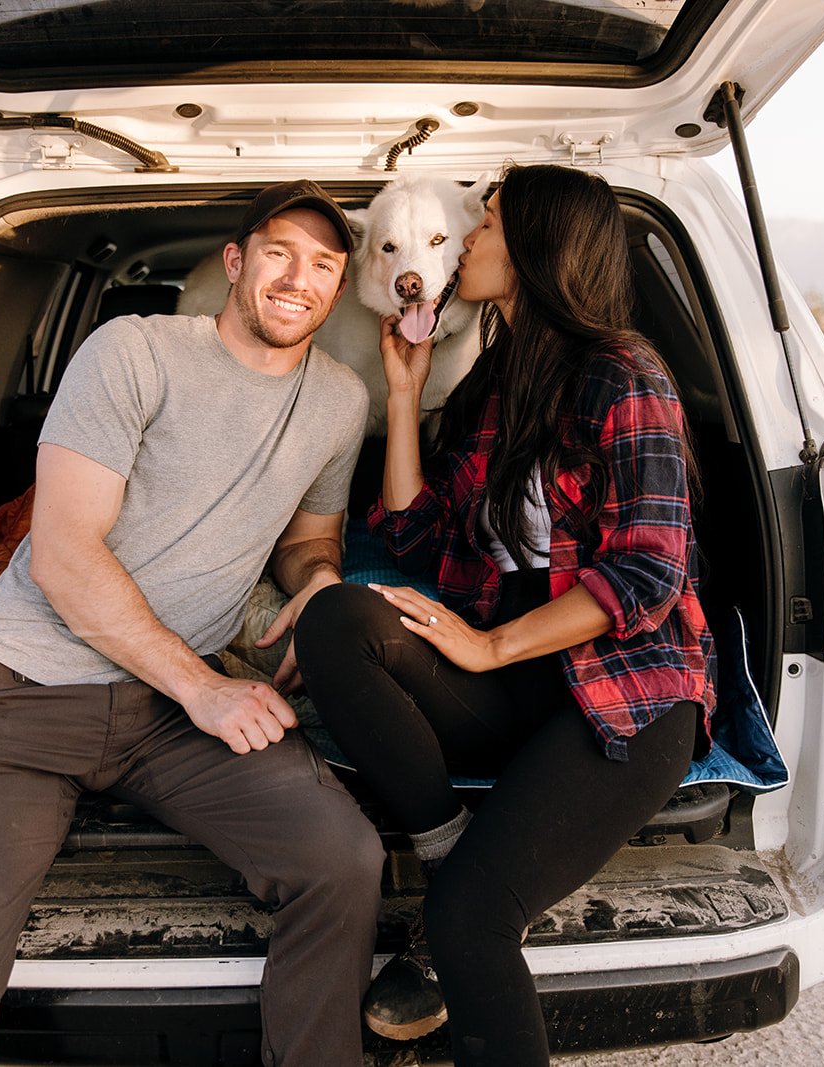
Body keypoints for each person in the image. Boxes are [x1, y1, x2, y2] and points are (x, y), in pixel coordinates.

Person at [0, 180, 384, 1067]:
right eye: (277, 251)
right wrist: (206, 689)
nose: (296, 278)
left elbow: (309, 539)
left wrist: (318, 590)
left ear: (338, 288)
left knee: (341, 859)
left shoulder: (341, 402)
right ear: (234, 263)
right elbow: (64, 555)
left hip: (171, 715)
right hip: (26, 692)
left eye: (323, 264)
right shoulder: (135, 353)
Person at [296, 164, 717, 1066]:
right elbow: (421, 540)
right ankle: (450, 842)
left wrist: (488, 645)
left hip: (624, 695)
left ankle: (461, 888)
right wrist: (403, 397)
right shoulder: (492, 383)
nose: (469, 243)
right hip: (515, 677)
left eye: (483, 228)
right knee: (336, 619)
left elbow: (648, 570)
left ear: (531, 247)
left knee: (468, 926)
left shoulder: (624, 373)